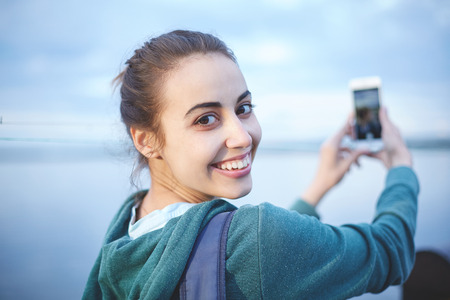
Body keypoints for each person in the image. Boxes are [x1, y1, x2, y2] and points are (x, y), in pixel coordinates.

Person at [83, 30, 419, 299]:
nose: (242, 137)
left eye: (243, 108)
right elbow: (391, 251)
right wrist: (402, 166)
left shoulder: (130, 227)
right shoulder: (256, 242)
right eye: (206, 118)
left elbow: (247, 256)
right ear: (146, 140)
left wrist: (319, 186)